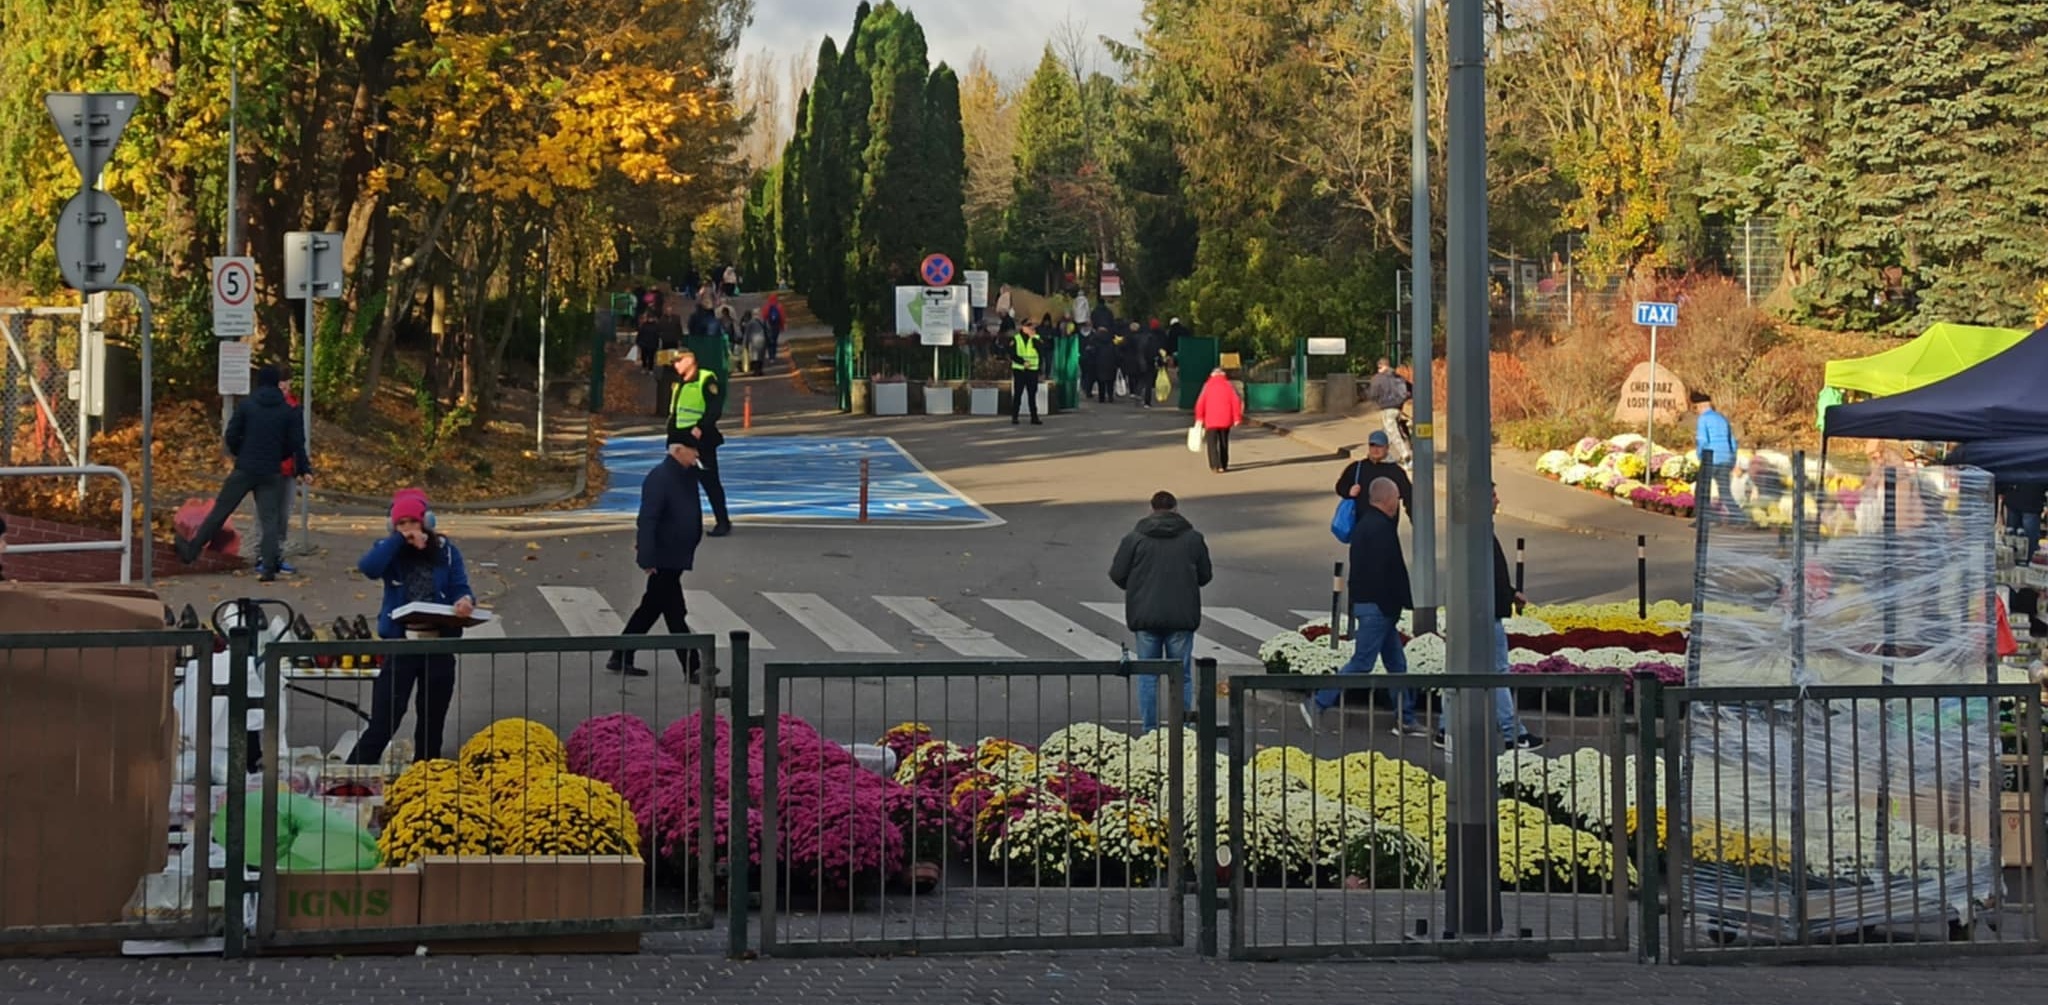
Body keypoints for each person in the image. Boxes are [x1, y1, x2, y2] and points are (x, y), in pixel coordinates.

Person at [345, 489, 475, 765]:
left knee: (431, 725)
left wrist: (465, 601)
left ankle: (426, 778)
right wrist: (398, 540)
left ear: (426, 522)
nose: (408, 529)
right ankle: (353, 774)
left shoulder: (446, 551)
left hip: (438, 645)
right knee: (384, 721)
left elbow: (461, 587)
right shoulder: (390, 549)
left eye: (412, 523)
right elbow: (369, 567)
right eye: (400, 524)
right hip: (402, 645)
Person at [1302, 478, 1420, 734]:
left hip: (1376, 607)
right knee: (1362, 663)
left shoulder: (1369, 525)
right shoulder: (1380, 529)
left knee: (1396, 664)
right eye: (1396, 497)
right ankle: (1318, 702)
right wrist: (1397, 602)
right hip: (1378, 607)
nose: (1398, 502)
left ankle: (1406, 718)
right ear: (1386, 498)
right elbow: (1385, 571)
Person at [1435, 486, 1544, 751]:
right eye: (1493, 495)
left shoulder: (1474, 531)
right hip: (1484, 615)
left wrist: (1509, 593)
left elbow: (1487, 575)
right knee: (1497, 672)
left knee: (1459, 671)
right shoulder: (1480, 533)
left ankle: (1446, 728)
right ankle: (1513, 733)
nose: (1498, 500)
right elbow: (1483, 577)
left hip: (1474, 612)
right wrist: (1504, 597)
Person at [177, 364, 309, 582]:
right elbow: (295, 443)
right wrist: (279, 456)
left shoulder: (247, 405)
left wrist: (242, 452)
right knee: (270, 520)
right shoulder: (288, 411)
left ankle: (191, 552)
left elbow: (231, 435)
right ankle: (268, 567)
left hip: (245, 468)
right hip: (270, 472)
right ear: (277, 383)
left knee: (220, 511)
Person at [1108, 491, 1213, 733]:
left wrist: (1136, 588)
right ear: (1176, 508)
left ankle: (1150, 731)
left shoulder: (1134, 538)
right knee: (1182, 676)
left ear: (1151, 509)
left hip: (1145, 616)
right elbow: (1205, 576)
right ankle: (1183, 728)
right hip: (1181, 616)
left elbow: (1117, 573)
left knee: (1148, 675)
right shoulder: (1193, 539)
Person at [611, 441, 708, 678]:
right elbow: (648, 519)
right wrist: (647, 556)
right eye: (692, 449)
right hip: (664, 555)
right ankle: (693, 666)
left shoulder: (685, 475)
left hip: (675, 554)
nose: (697, 453)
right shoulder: (661, 477)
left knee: (651, 608)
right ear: (677, 451)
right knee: (675, 612)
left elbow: (706, 477)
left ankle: (620, 655)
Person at [669, 351, 732, 536]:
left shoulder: (706, 379)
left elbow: (714, 408)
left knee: (710, 482)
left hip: (700, 441)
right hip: (680, 440)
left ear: (690, 360)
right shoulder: (679, 382)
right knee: (678, 484)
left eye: (679, 361)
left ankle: (723, 522)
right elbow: (676, 412)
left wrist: (702, 426)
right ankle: (683, 524)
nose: (676, 365)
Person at [1334, 431, 1413, 524]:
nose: (1375, 449)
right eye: (1372, 445)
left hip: (1386, 526)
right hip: (1360, 525)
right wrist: (1348, 491)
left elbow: (1409, 497)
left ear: (1387, 448)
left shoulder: (1396, 472)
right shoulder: (1357, 467)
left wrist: (1416, 520)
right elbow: (1340, 486)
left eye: (1379, 446)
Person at [1692, 391, 1739, 519]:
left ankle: (1701, 520)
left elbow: (1703, 440)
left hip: (1711, 458)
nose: (1697, 411)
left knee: (1701, 490)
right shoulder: (1722, 418)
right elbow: (1733, 441)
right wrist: (1733, 458)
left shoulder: (1703, 419)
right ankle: (1738, 517)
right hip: (1726, 457)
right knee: (1725, 491)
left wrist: (1700, 455)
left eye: (1696, 408)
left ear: (1701, 406)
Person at [1192, 368, 1244, 474]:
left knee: (1212, 443)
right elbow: (1236, 402)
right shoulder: (1228, 386)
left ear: (1212, 375)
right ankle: (1223, 465)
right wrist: (1237, 418)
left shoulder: (1207, 386)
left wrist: (1199, 418)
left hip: (1210, 420)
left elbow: (1200, 403)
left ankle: (1215, 465)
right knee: (1224, 442)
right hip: (1225, 420)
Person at [1364, 358, 1412, 465]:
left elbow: (1372, 394)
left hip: (1387, 408)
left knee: (1392, 432)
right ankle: (1384, 457)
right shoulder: (1398, 377)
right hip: (1398, 408)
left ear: (1381, 366)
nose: (1378, 369)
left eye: (1379, 367)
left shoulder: (1378, 378)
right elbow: (1410, 389)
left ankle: (1406, 456)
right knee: (1387, 432)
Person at [1009, 318, 1045, 426]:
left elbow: (1041, 351)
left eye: (1032, 326)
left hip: (1032, 371)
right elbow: (1012, 354)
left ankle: (1034, 417)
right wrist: (1022, 362)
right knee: (1018, 394)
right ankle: (1015, 417)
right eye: (1028, 326)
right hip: (1019, 370)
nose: (1031, 328)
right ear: (1023, 327)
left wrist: (1033, 338)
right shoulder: (1016, 339)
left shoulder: (1036, 338)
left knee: (1032, 395)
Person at [2001, 480, 2046, 564]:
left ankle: (2014, 565)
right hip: (2031, 498)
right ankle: (2028, 563)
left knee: (2012, 541)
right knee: (2028, 542)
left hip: (2015, 495)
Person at [1086, 325, 1120, 404]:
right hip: (1111, 363)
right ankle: (1110, 396)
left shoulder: (1094, 340)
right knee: (1110, 382)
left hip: (1099, 364)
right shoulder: (1112, 341)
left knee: (1101, 382)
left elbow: (1091, 352)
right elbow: (1117, 353)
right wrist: (1117, 363)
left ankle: (1102, 398)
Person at [762, 292, 786, 363]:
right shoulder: (779, 306)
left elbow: (764, 317)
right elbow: (782, 317)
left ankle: (770, 356)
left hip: (768, 326)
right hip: (776, 326)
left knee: (769, 341)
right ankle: (774, 356)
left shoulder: (766, 306)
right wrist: (782, 326)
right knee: (775, 341)